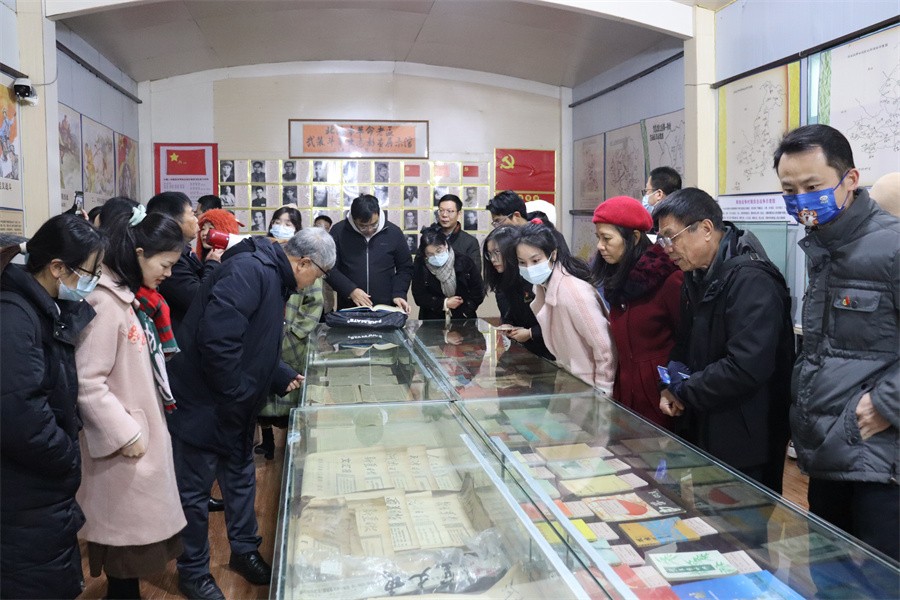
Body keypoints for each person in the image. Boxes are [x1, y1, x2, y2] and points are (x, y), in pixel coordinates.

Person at [166, 230, 334, 600]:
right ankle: (193, 572)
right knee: (194, 492)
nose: (315, 283)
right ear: (303, 262)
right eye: (319, 275)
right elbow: (218, 341)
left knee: (241, 479)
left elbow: (254, 341)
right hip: (207, 403)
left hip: (235, 406)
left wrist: (277, 373)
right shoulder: (250, 271)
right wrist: (239, 392)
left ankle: (244, 551)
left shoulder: (274, 275)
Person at [774, 124, 899, 560]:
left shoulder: (892, 247)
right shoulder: (824, 248)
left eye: (813, 187)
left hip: (880, 465)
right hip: (828, 452)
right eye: (789, 190)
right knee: (830, 578)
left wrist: (887, 402)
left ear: (850, 180)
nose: (801, 200)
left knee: (878, 583)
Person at [76, 208, 187, 599]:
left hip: (137, 441)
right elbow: (87, 382)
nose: (168, 273)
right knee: (124, 554)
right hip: (124, 448)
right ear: (139, 253)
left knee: (132, 555)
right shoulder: (106, 303)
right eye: (165, 264)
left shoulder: (128, 298)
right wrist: (126, 434)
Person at [655, 188, 794, 493]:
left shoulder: (752, 280)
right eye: (662, 240)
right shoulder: (695, 275)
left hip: (747, 436)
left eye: (671, 237)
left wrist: (683, 390)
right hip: (707, 420)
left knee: (742, 516)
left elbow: (746, 366)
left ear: (706, 229)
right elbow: (684, 342)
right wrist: (669, 382)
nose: (667, 249)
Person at [0, 216, 105, 599]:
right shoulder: (14, 317)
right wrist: (65, 456)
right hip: (23, 490)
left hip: (37, 491)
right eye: (89, 273)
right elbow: (19, 414)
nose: (92, 282)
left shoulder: (43, 308)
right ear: (57, 267)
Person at [590, 196, 683, 429]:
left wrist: (672, 386)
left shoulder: (669, 280)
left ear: (634, 237)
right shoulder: (617, 279)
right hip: (626, 392)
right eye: (598, 238)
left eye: (607, 238)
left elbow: (687, 341)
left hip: (660, 397)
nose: (600, 246)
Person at [516, 222, 616, 392]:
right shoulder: (542, 287)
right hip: (570, 379)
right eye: (522, 262)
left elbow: (604, 347)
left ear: (553, 254)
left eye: (536, 260)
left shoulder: (573, 292)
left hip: (589, 384)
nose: (529, 268)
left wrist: (603, 390)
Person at [256, 215, 324, 459]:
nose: (281, 227)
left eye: (288, 223)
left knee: (294, 393)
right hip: (267, 341)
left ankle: (294, 443)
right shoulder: (264, 259)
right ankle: (267, 441)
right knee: (263, 397)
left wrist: (296, 332)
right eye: (278, 221)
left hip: (295, 344)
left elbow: (314, 304)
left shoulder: (308, 264)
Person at [326, 194, 413, 311]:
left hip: (386, 307)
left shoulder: (393, 232)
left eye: (374, 225)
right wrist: (350, 290)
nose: (369, 230)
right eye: (363, 226)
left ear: (378, 214)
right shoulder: (338, 231)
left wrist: (399, 293)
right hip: (350, 306)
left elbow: (405, 267)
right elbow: (328, 267)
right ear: (353, 219)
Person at [483, 226, 553, 360]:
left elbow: (555, 321)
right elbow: (509, 313)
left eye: (497, 252)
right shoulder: (502, 282)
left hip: (551, 349)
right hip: (527, 350)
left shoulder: (532, 277)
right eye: (489, 254)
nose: (493, 259)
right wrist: (508, 325)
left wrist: (531, 333)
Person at [148, 192, 214, 331]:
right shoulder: (170, 260)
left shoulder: (186, 252)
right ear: (173, 221)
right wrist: (212, 264)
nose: (197, 220)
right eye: (192, 214)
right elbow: (197, 299)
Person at [412, 225, 484, 320]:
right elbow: (419, 296)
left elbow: (478, 291)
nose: (436, 256)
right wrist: (444, 303)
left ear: (446, 245)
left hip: (463, 318)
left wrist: (466, 311)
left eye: (439, 250)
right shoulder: (421, 265)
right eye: (430, 254)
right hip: (432, 320)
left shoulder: (464, 262)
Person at [437, 194, 481, 270]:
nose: (444, 215)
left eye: (449, 211)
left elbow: (475, 273)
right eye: (441, 210)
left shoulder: (470, 242)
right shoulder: (429, 237)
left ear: (459, 214)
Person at [313, 214, 335, 314]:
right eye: (318, 226)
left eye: (325, 228)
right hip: (310, 294)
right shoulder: (305, 243)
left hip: (326, 296)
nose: (321, 230)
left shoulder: (332, 248)